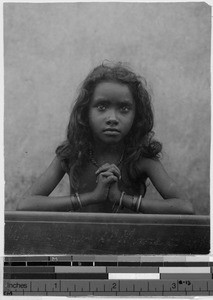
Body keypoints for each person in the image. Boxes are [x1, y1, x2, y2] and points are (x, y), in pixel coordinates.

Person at [16, 62, 194, 214]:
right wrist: (91, 197)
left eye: (124, 108)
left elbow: (185, 207)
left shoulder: (142, 157)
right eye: (102, 107)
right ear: (85, 112)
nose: (112, 118)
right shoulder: (73, 154)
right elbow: (25, 205)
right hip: (81, 245)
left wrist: (122, 198)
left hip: (129, 246)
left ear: (137, 115)